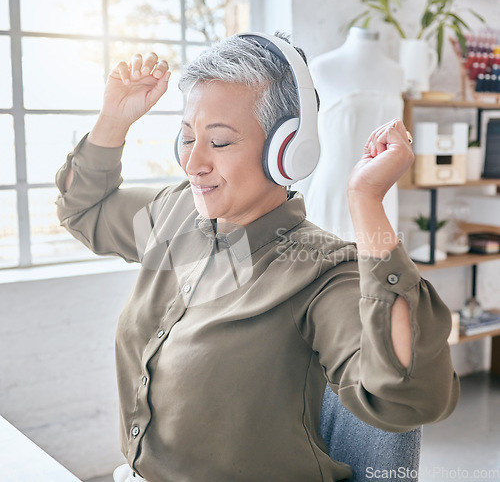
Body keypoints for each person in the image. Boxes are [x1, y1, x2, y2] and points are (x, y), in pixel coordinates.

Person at [55, 33, 459, 482]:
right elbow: (83, 210)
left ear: (287, 151)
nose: (193, 163)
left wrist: (366, 199)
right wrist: (114, 119)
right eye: (187, 138)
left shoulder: (321, 272)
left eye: (220, 143)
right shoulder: (175, 213)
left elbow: (408, 397)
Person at [299, 27, 404, 241]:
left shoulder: (397, 72)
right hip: (338, 184)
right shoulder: (323, 67)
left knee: (378, 267)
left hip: (383, 188)